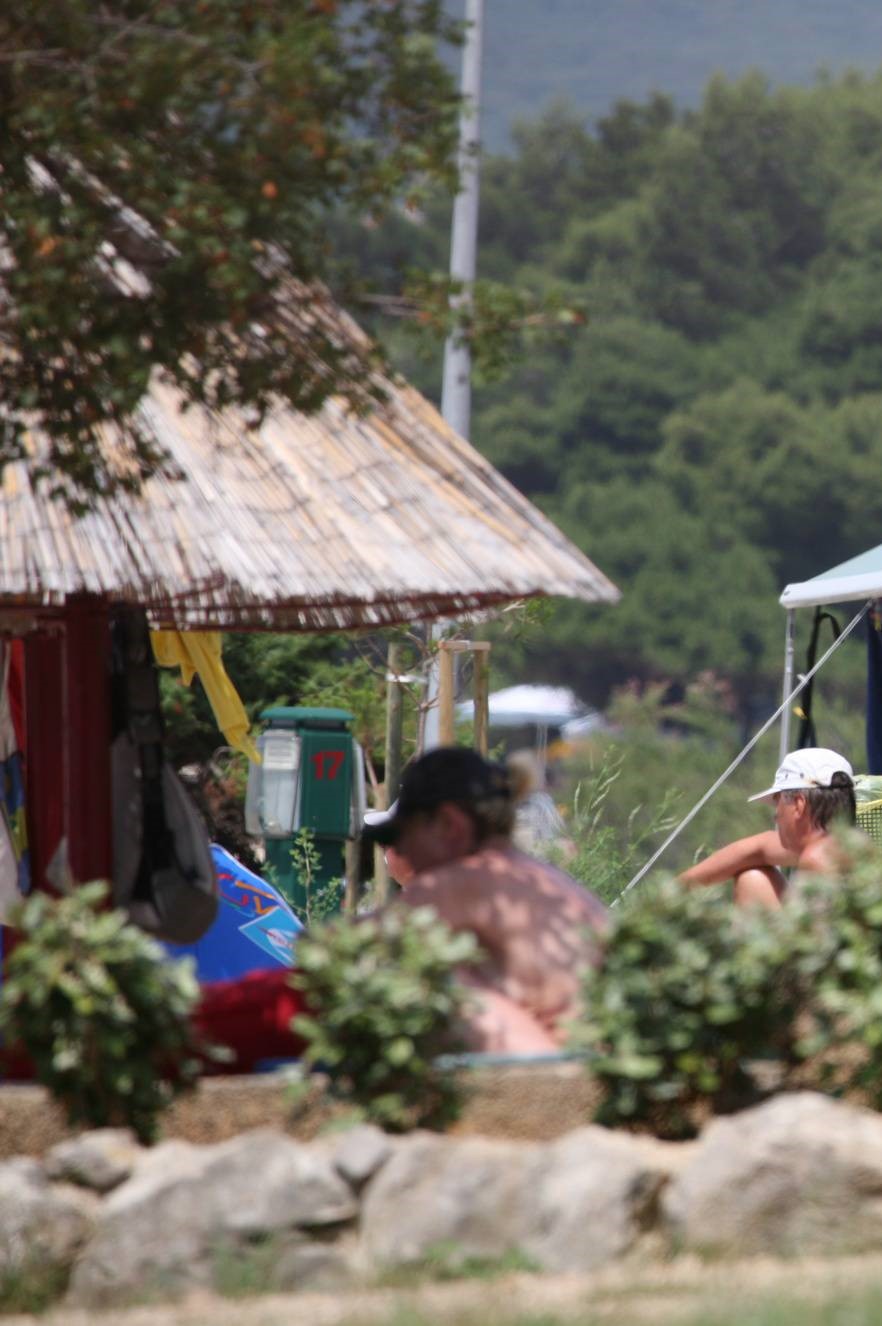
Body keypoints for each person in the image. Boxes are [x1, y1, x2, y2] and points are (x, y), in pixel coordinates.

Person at [365, 746, 607, 1054]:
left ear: (449, 825)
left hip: (557, 1073)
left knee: (428, 974)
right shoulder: (543, 878)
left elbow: (355, 947)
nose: (398, 853)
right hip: (605, 1061)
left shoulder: (460, 881)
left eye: (399, 839)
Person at [681, 747, 856, 908]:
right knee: (753, 879)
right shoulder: (838, 842)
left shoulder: (816, 859)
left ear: (798, 805)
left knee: (751, 882)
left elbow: (813, 940)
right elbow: (758, 848)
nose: (776, 816)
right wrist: (674, 891)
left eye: (777, 802)